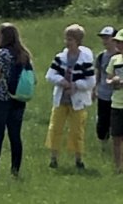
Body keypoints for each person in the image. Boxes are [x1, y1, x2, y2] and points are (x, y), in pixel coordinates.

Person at [44, 24, 95, 170]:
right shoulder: (60, 58)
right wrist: (62, 82)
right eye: (66, 39)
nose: (67, 42)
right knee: (55, 128)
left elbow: (91, 81)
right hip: (61, 100)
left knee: (76, 130)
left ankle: (78, 158)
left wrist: (75, 85)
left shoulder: (85, 59)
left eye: (70, 39)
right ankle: (53, 158)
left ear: (78, 41)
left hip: (77, 100)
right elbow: (50, 75)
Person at [0, 23, 33, 177]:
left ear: (3, 36)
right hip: (19, 98)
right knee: (15, 135)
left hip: (1, 98)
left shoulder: (2, 53)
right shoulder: (23, 54)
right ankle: (15, 171)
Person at [94, 26, 117, 149]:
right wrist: (94, 89)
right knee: (103, 120)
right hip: (103, 94)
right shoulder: (101, 56)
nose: (105, 41)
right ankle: (103, 144)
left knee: (116, 122)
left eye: (107, 38)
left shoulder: (120, 56)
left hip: (118, 96)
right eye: (103, 38)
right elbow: (98, 74)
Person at [105, 29, 123, 173]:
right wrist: (113, 81)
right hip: (117, 103)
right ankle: (118, 167)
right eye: (117, 42)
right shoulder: (114, 60)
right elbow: (108, 78)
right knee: (116, 137)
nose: (119, 45)